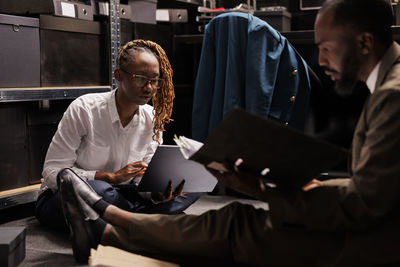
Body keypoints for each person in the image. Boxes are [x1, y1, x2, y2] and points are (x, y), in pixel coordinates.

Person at [57, 0, 400, 265]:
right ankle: (106, 224)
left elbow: (361, 204)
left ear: (365, 44)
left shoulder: (392, 97)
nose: (320, 60)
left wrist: (265, 190)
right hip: (373, 227)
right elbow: (375, 191)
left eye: (325, 46)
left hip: (375, 243)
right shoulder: (387, 86)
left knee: (239, 227)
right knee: (235, 219)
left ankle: (107, 223)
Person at [35, 40, 201, 230]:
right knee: (98, 191)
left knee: (191, 188)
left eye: (154, 80)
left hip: (122, 196)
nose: (148, 88)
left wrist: (157, 194)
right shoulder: (84, 109)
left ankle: (125, 221)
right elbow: (52, 173)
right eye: (140, 79)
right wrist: (110, 177)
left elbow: (142, 180)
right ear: (118, 75)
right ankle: (144, 221)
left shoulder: (153, 118)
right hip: (64, 197)